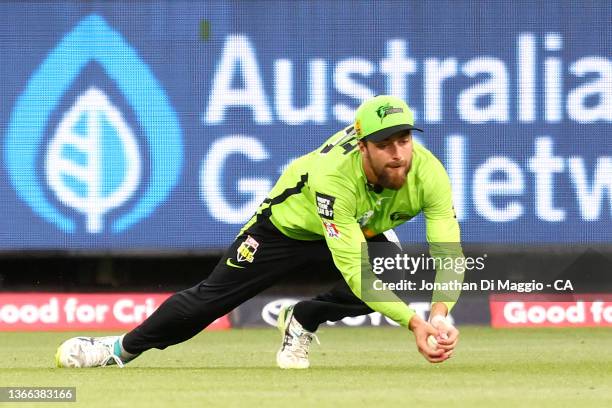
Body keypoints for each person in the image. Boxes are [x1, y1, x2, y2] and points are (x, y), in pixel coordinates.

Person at [55, 95, 462, 369]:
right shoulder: (333, 179)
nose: (398, 154)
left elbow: (449, 252)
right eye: (384, 143)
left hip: (357, 227)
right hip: (286, 228)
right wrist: (413, 323)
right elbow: (356, 271)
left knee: (393, 272)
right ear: (362, 144)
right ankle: (114, 350)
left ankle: (302, 319)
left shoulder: (428, 173)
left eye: (404, 140)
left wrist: (439, 314)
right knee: (207, 303)